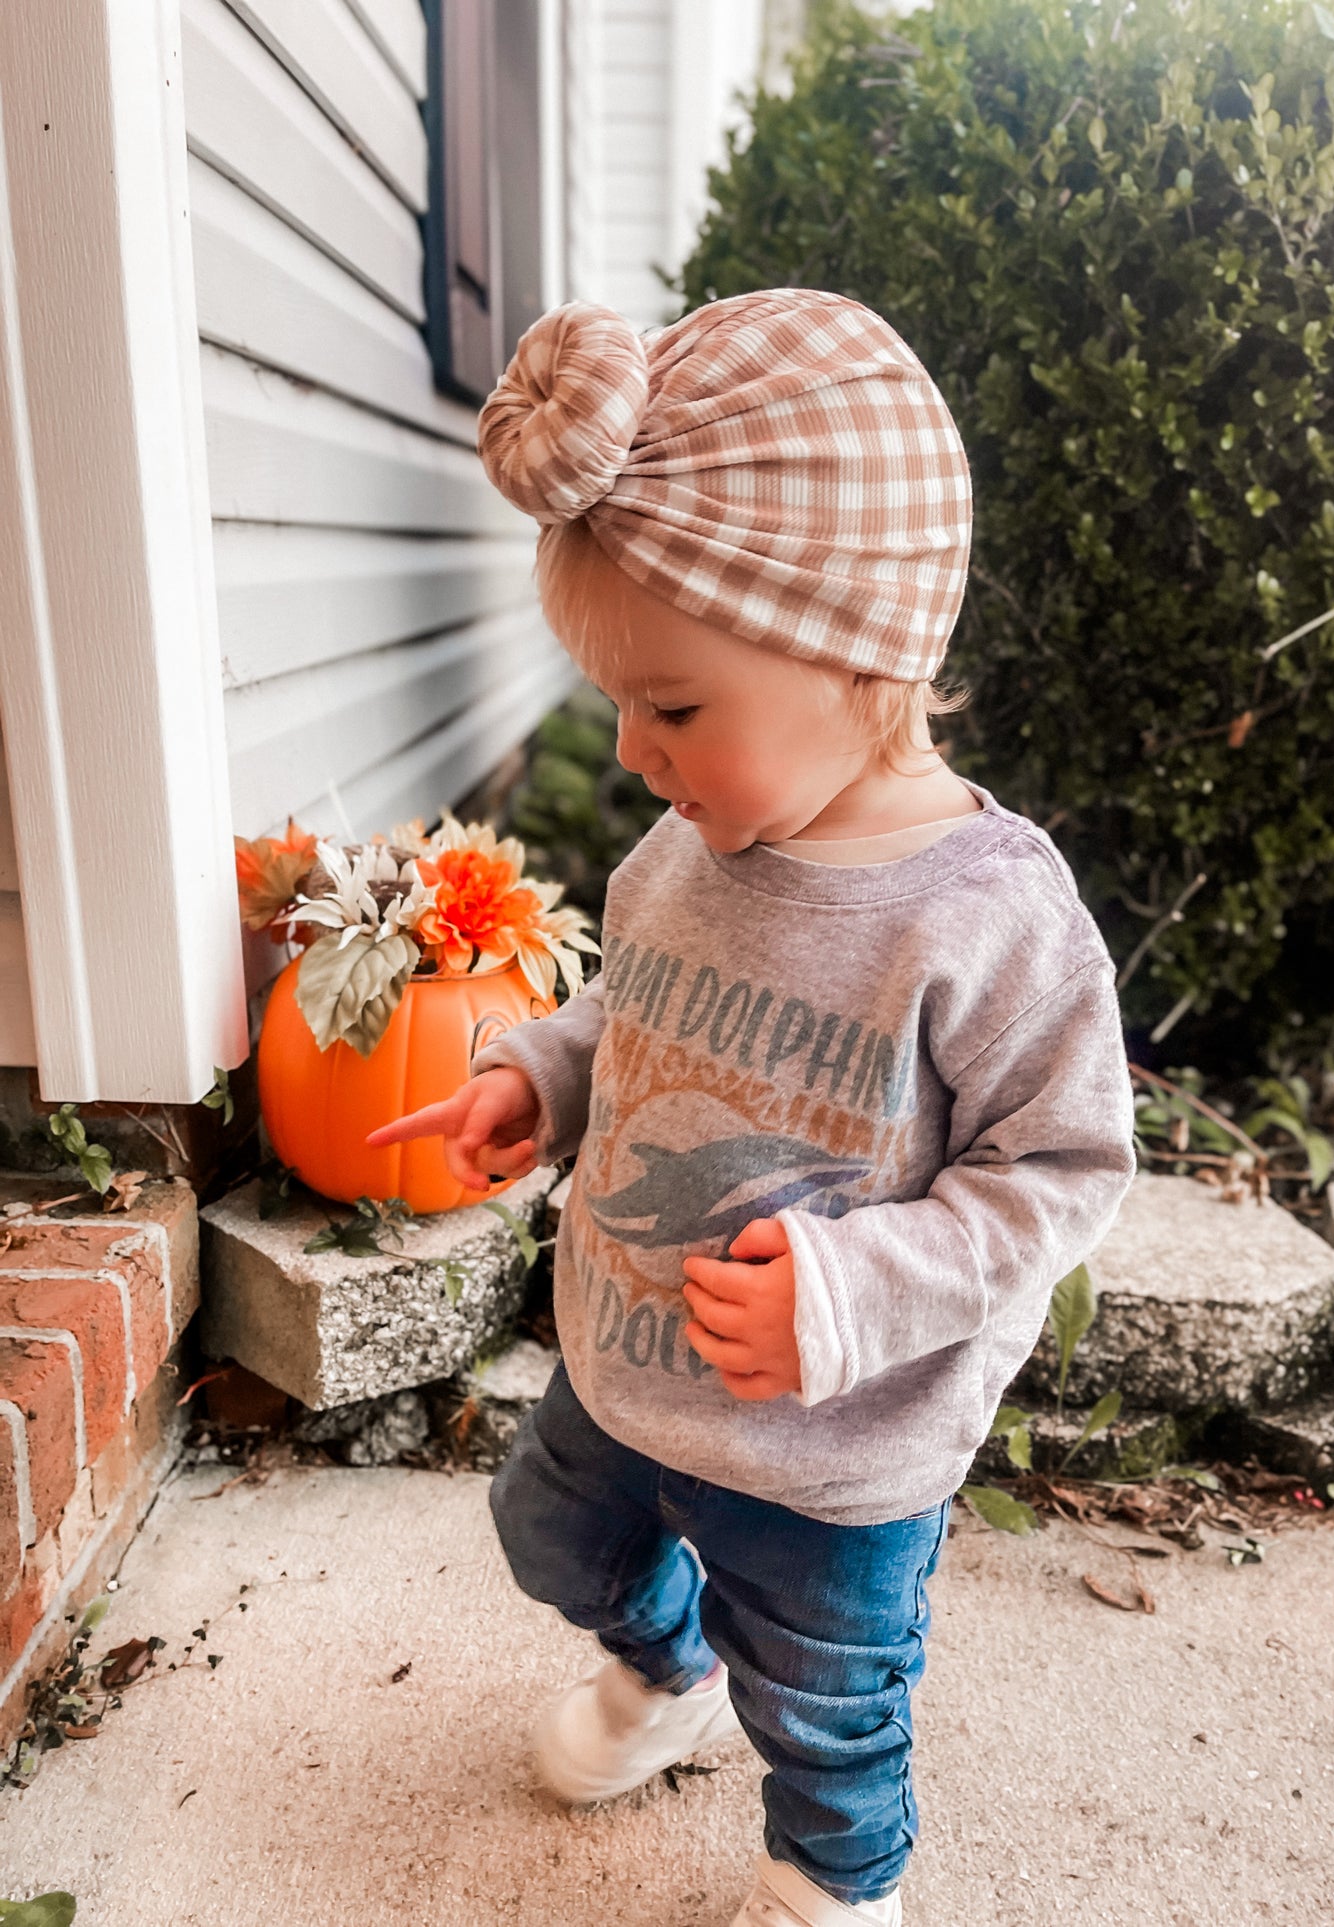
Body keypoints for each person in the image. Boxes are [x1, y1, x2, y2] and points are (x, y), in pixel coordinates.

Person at [368, 289, 1137, 1926]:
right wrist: (542, 1074)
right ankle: (664, 1674)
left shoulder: (984, 915)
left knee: (828, 1700)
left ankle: (836, 1878)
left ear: (855, 647)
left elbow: (1062, 1169)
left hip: (834, 1447)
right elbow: (629, 995)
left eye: (675, 706)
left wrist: (856, 1292)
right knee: (549, 1537)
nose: (636, 752)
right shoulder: (690, 847)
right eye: (619, 707)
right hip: (627, 1375)